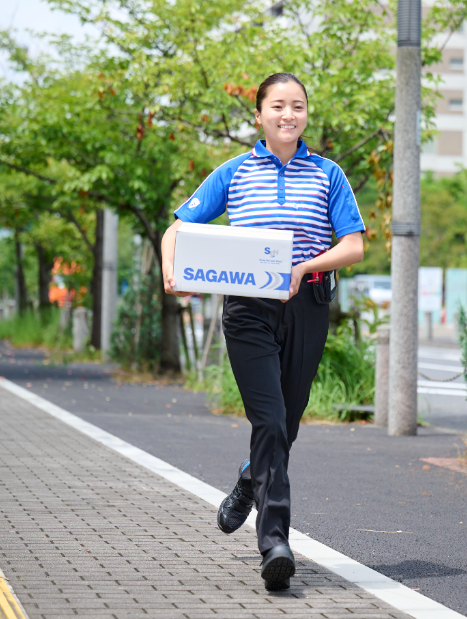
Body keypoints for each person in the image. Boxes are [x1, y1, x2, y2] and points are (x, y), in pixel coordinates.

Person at [161, 72, 365, 591]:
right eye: (278, 105)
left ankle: (250, 478)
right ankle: (275, 543)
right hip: (248, 310)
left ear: (305, 115)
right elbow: (177, 229)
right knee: (270, 419)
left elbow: (354, 245)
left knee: (286, 425)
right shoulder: (233, 172)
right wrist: (172, 271)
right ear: (258, 114)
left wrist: (304, 266)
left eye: (298, 105)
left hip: (307, 305)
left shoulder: (328, 174)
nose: (288, 114)